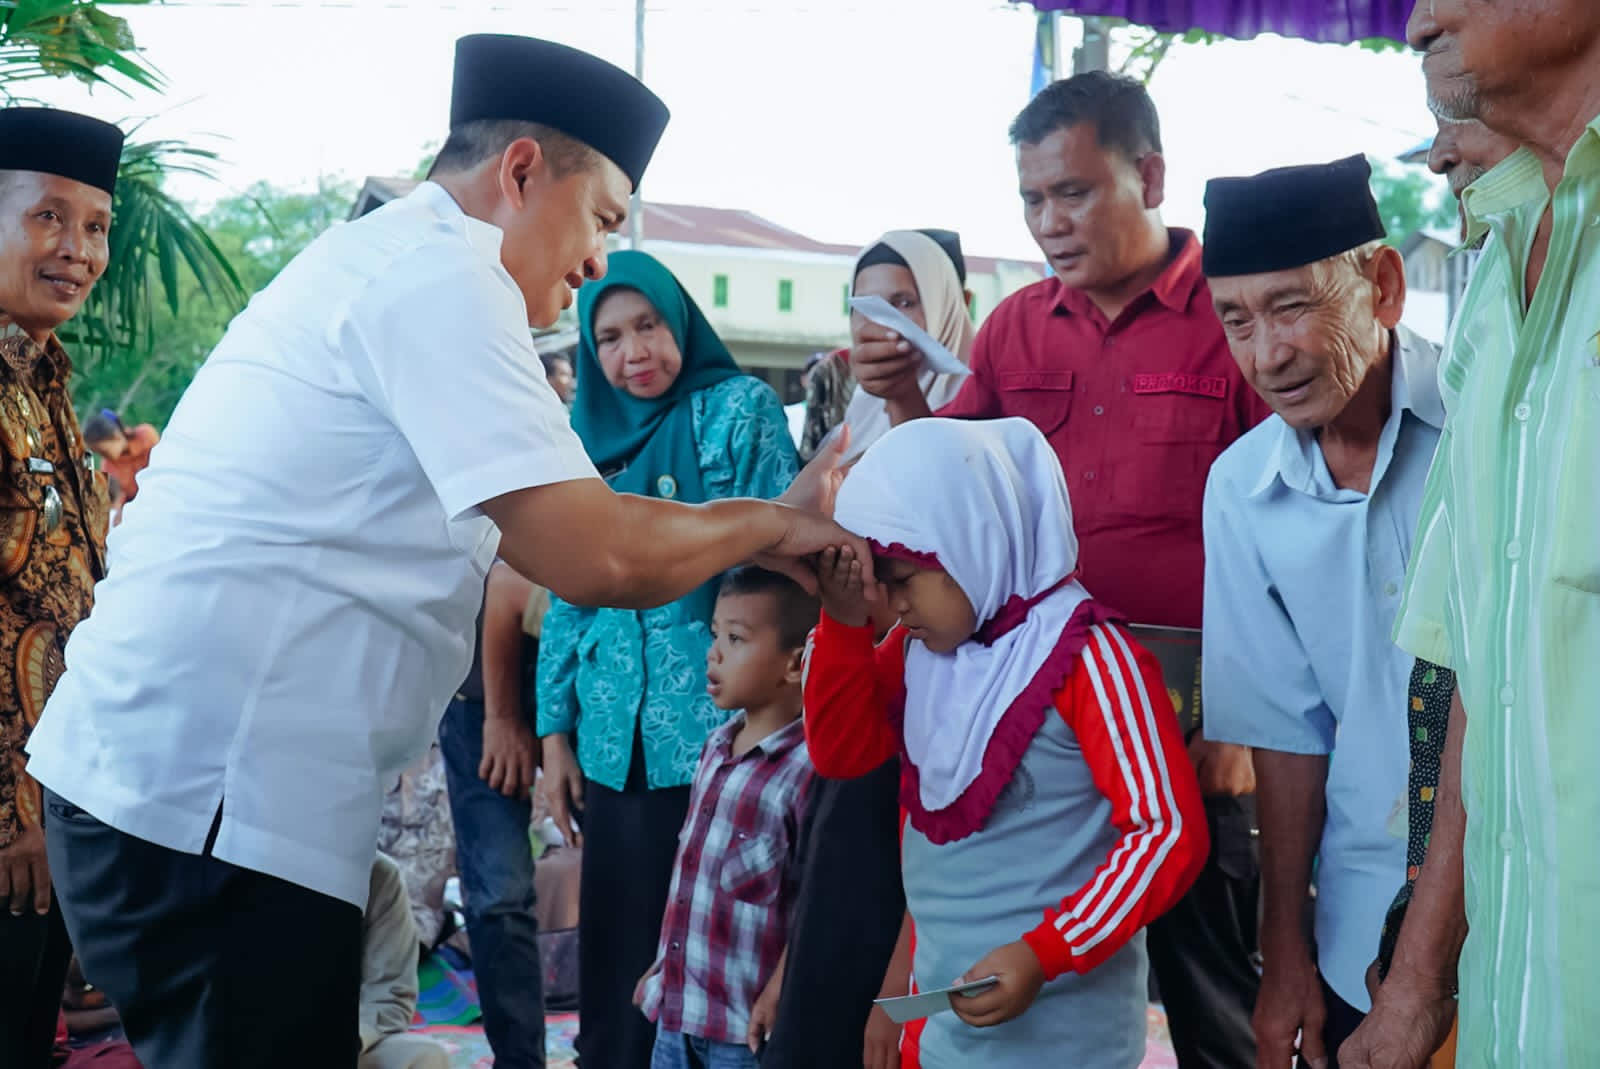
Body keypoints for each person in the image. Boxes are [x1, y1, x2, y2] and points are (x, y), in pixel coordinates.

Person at [25, 36, 866, 1069]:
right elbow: (591, 550)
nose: (598, 259)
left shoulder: (402, 264)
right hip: (207, 802)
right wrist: (779, 522)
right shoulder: (439, 275)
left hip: (198, 796)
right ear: (519, 174)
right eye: (599, 216)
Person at [849, 71, 1270, 1069]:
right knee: (1015, 981)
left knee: (1218, 1009)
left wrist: (1243, 722)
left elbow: (1277, 539)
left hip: (1193, 722)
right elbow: (946, 505)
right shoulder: (1013, 328)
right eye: (1031, 200)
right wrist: (904, 404)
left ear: (1150, 174)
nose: (1049, 223)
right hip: (1030, 729)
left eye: (1072, 192)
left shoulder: (1234, 320)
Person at [1343, 3, 1600, 1067]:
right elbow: (1476, 687)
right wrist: (1415, 984)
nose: (1415, 17)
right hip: (1512, 1014)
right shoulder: (1501, 268)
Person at [806, 416, 1209, 1068]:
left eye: (904, 577)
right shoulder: (920, 652)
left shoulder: (1092, 659)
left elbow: (1166, 832)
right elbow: (841, 751)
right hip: (941, 1035)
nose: (893, 602)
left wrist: (1045, 952)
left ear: (973, 540)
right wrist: (844, 620)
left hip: (1066, 1044)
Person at [1197, 155, 1443, 1069]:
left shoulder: (1487, 428)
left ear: (1381, 285)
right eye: (1237, 320)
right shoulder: (1241, 490)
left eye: (1292, 306)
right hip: (1357, 930)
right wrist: (1286, 955)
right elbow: (1284, 737)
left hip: (1523, 911)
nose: (1268, 354)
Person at [537, 248, 799, 1069]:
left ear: (678, 318)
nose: (632, 352)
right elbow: (569, 590)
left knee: (709, 943)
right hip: (615, 736)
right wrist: (555, 731)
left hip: (721, 725)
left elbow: (781, 551)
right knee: (617, 943)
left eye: (647, 324)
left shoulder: (740, 410)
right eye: (609, 337)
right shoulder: (583, 437)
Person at [0, 106, 120, 1069]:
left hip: (55, 806)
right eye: (50, 217)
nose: (77, 249)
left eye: (96, 226)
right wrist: (16, 811)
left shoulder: (45, 378)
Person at [633, 566, 818, 1068]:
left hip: (745, 1031)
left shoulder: (807, 770)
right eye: (715, 634)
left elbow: (810, 903)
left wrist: (780, 991)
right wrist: (663, 968)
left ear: (795, 664)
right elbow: (695, 882)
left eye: (735, 639)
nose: (713, 653)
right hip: (678, 1016)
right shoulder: (714, 749)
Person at [438, 559, 545, 1066]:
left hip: (598, 683)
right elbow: (509, 580)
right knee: (498, 893)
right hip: (482, 690)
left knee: (620, 882)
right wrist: (502, 717)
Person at [820, 228, 974, 464]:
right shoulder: (858, 414)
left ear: (944, 309)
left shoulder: (982, 406)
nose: (881, 321)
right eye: (864, 307)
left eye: (903, 303)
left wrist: (903, 398)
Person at [360, 853, 451, 1069]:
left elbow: (389, 994)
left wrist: (349, 1040)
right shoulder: (264, 862)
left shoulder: (377, 873)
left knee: (426, 1056)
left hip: (345, 1044)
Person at [80, 409, 159, 505]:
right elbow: (119, 499)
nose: (103, 456)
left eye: (104, 451)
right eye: (99, 453)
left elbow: (162, 461)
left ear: (115, 436)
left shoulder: (145, 435)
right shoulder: (107, 468)